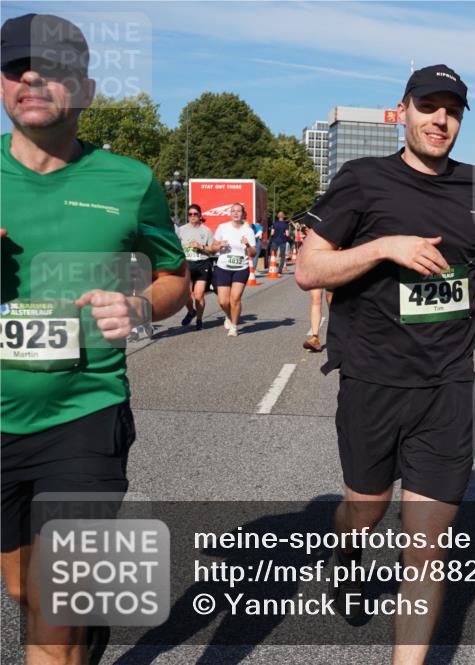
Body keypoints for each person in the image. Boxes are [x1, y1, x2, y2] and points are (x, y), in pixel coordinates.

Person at [296, 63, 475, 664]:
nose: (440, 119)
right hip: (373, 377)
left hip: (448, 383)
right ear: (404, 110)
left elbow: (464, 258)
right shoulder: (362, 180)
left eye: (452, 110)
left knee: (426, 547)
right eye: (429, 106)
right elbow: (308, 271)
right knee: (366, 511)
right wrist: (382, 247)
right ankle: (348, 551)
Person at [0, 13, 189, 664]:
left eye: (51, 68)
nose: (30, 76)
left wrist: (138, 305)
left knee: (54, 610)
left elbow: (176, 278)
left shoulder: (128, 182)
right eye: (15, 66)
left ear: (85, 88)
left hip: (86, 411)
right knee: (24, 589)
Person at [211, 202, 256, 336]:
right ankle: (228, 315)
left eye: (238, 211)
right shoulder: (222, 228)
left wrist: (247, 244)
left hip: (241, 268)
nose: (236, 213)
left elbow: (253, 253)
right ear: (230, 214)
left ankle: (234, 327)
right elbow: (213, 247)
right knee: (223, 301)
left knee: (235, 299)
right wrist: (219, 245)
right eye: (233, 211)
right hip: (223, 267)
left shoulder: (248, 230)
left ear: (243, 214)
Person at [176, 203, 214, 329]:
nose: (192, 216)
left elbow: (212, 249)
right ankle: (191, 311)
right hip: (186, 264)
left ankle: (199, 320)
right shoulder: (181, 230)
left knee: (199, 295)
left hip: (202, 263)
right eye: (190, 214)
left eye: (195, 214)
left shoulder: (206, 230)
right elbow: (174, 246)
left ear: (200, 215)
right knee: (185, 294)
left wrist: (201, 247)